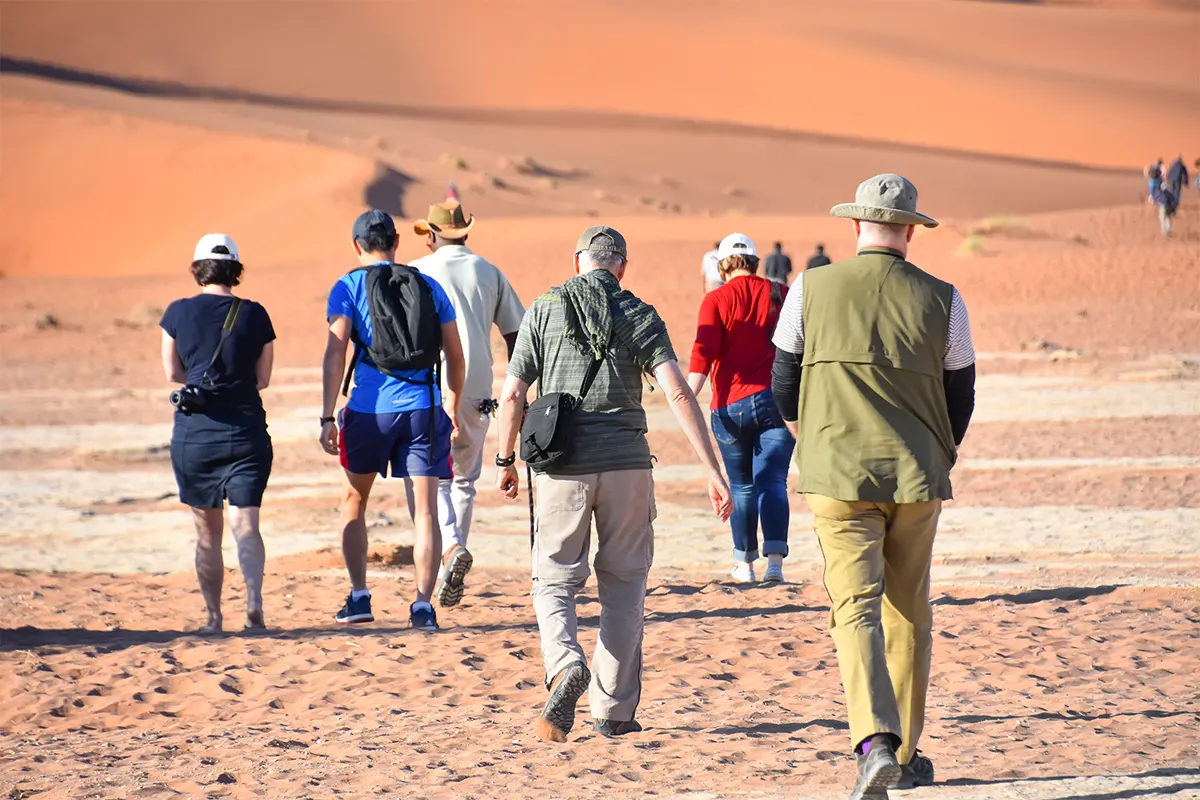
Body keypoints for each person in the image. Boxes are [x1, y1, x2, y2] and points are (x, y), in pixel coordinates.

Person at [772, 174, 976, 799]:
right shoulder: (947, 298)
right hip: (916, 477)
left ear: (856, 226)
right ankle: (906, 753)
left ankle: (875, 744)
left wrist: (814, 433)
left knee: (853, 608)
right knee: (909, 613)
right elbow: (960, 396)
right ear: (911, 231)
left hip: (836, 476)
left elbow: (782, 378)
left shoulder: (809, 287)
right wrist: (937, 449)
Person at [495, 225, 732, 743]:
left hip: (562, 469)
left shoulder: (544, 309)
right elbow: (677, 394)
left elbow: (512, 395)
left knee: (554, 579)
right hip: (628, 465)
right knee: (625, 586)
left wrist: (504, 459)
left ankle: (564, 665)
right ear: (621, 267)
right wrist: (713, 470)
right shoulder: (639, 313)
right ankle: (615, 711)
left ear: (577, 261)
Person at [319, 209, 467, 632]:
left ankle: (360, 597)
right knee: (425, 513)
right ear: (396, 241)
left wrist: (328, 414)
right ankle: (422, 606)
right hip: (423, 408)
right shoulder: (428, 284)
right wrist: (451, 405)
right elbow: (455, 355)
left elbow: (336, 351)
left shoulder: (347, 286)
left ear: (357, 246)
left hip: (367, 411)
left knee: (355, 501)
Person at [406, 201, 525, 607]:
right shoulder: (488, 271)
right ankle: (447, 566)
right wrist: (516, 385)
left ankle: (451, 547)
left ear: (433, 235)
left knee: (430, 478)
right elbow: (516, 334)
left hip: (428, 386)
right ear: (466, 233)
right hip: (477, 387)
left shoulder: (418, 271)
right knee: (463, 482)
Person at [160, 234, 276, 633]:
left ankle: (213, 617)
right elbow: (263, 379)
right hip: (246, 433)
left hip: (196, 436)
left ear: (198, 268)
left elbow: (172, 373)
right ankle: (254, 605)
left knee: (207, 534)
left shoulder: (177, 312)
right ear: (236, 270)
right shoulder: (256, 314)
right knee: (248, 524)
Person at [688, 232, 794, 584]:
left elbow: (703, 353)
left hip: (729, 405)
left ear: (722, 265)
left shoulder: (715, 299)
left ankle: (744, 565)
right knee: (773, 482)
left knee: (742, 486)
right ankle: (775, 563)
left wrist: (687, 397)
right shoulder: (781, 293)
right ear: (754, 261)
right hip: (776, 402)